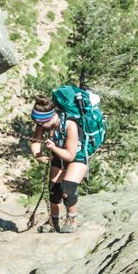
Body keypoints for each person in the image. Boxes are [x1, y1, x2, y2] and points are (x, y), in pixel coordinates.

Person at [30, 94, 86, 233]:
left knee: (67, 190)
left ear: (50, 118)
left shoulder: (69, 125)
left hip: (76, 158)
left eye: (41, 124)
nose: (39, 127)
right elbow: (36, 141)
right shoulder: (43, 123)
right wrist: (37, 155)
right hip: (58, 157)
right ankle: (52, 221)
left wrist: (53, 148)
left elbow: (70, 155)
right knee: (54, 191)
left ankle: (72, 220)